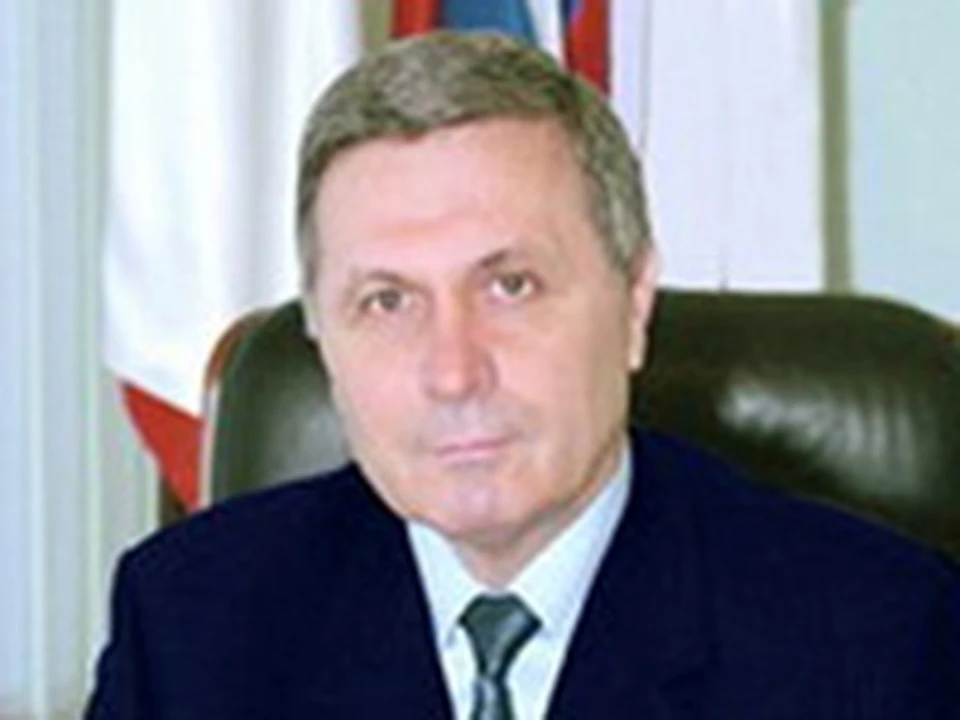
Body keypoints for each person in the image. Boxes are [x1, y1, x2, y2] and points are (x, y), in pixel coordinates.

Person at [86, 31, 959, 719]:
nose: (453, 371)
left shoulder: (871, 642)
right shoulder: (191, 626)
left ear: (634, 304)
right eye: (387, 301)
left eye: (510, 286)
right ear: (321, 336)